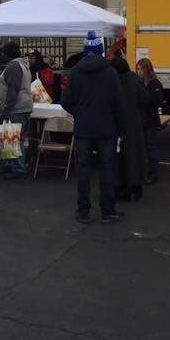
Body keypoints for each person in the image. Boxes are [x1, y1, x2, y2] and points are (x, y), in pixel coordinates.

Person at [62, 35, 124, 223]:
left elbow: (66, 101)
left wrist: (78, 112)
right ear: (100, 50)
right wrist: (121, 128)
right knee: (106, 169)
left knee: (83, 169)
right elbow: (119, 104)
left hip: (83, 128)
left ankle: (83, 212)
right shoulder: (110, 73)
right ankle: (108, 211)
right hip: (106, 128)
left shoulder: (75, 72)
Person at [0, 42, 35, 179]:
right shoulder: (22, 64)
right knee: (10, 137)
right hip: (22, 106)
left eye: (4, 53)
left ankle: (18, 168)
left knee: (14, 138)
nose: (3, 56)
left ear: (8, 54)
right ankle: (10, 164)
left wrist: (7, 107)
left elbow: (13, 89)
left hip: (16, 108)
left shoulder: (14, 66)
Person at [112, 57, 150, 202]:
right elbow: (145, 99)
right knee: (135, 157)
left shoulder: (112, 82)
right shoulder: (135, 80)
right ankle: (136, 188)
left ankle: (120, 189)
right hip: (134, 125)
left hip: (116, 125)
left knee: (118, 159)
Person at [137, 58, 164, 185]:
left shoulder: (155, 83)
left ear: (147, 69)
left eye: (140, 69)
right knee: (144, 148)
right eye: (138, 69)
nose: (138, 72)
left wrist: (145, 98)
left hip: (151, 120)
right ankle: (144, 172)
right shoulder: (141, 83)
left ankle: (153, 174)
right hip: (143, 120)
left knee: (151, 147)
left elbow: (157, 100)